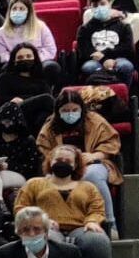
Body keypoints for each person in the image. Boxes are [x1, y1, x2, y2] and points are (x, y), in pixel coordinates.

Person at [15, 145, 112, 258]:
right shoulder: (35, 183)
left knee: (98, 242)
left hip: (80, 227)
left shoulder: (88, 186)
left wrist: (93, 221)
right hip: (46, 228)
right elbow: (21, 208)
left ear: (75, 165)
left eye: (67, 161)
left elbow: (97, 208)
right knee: (49, 242)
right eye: (58, 160)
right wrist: (42, 219)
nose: (62, 163)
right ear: (50, 162)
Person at [39, 92, 122, 237]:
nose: (70, 114)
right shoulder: (50, 126)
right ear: (58, 111)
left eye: (74, 110)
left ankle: (110, 223)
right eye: (65, 110)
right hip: (62, 166)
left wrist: (94, 156)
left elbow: (111, 143)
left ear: (81, 109)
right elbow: (45, 149)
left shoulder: (95, 120)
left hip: (94, 162)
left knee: (91, 174)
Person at [0, 0, 58, 87]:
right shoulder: (0, 33)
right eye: (14, 9)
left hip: (38, 62)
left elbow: (50, 49)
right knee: (5, 69)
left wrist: (33, 61)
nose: (17, 12)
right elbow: (0, 55)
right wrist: (18, 61)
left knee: (51, 67)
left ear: (29, 12)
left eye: (22, 9)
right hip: (14, 63)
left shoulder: (41, 27)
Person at [76, 0, 139, 85]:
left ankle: (122, 95)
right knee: (89, 68)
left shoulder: (123, 26)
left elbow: (128, 48)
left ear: (110, 4)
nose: (99, 7)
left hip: (119, 59)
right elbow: (84, 51)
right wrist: (103, 60)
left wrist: (105, 56)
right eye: (95, 5)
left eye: (102, 4)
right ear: (90, 9)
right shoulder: (84, 29)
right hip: (95, 61)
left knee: (125, 66)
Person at [0, 44, 57, 124]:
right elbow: (0, 99)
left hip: (35, 113)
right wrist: (28, 99)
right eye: (20, 57)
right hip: (13, 111)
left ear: (35, 59)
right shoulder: (4, 78)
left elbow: (46, 98)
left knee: (45, 115)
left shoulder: (41, 78)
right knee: (47, 99)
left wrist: (24, 99)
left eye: (28, 56)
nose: (25, 59)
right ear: (14, 61)